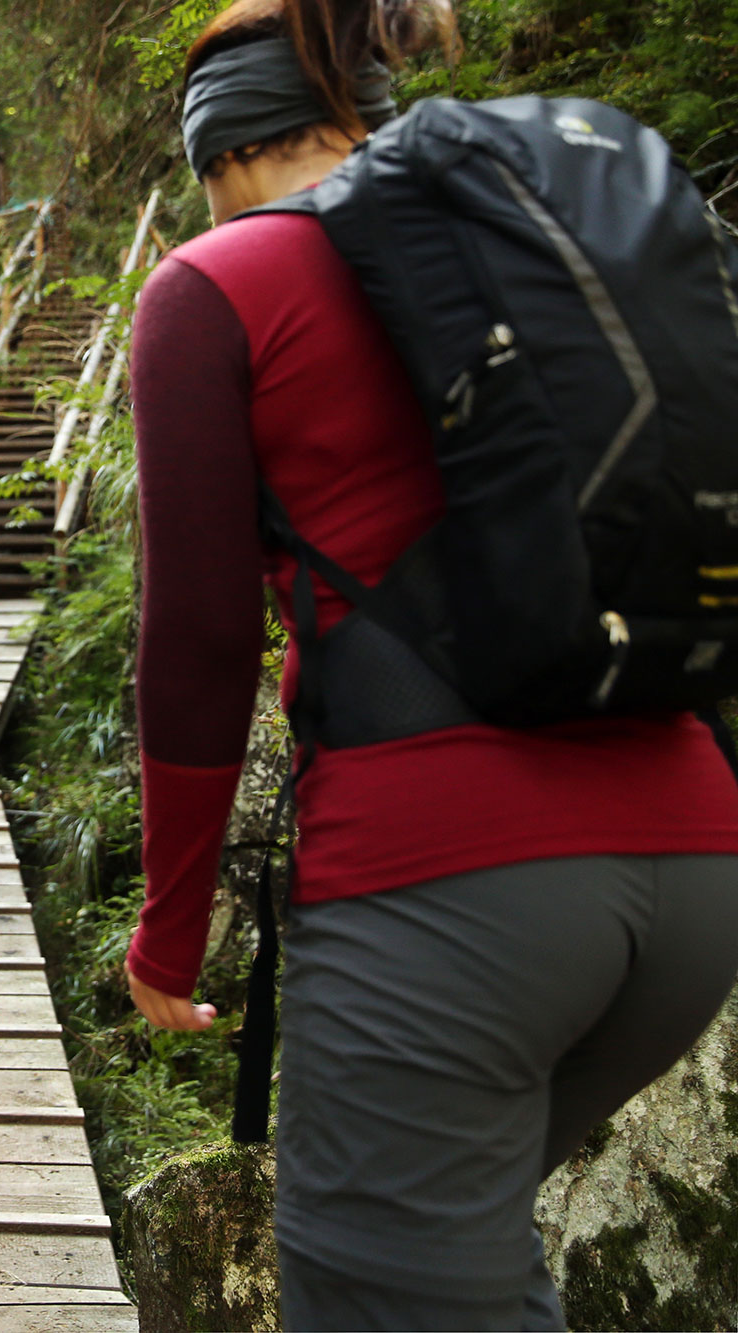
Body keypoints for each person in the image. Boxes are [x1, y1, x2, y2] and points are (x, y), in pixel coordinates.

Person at [125, 1, 738, 1327]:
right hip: (696, 862)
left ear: (219, 153)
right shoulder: (542, 247)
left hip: (452, 892)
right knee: (463, 1253)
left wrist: (171, 930)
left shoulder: (216, 285)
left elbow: (200, 641)